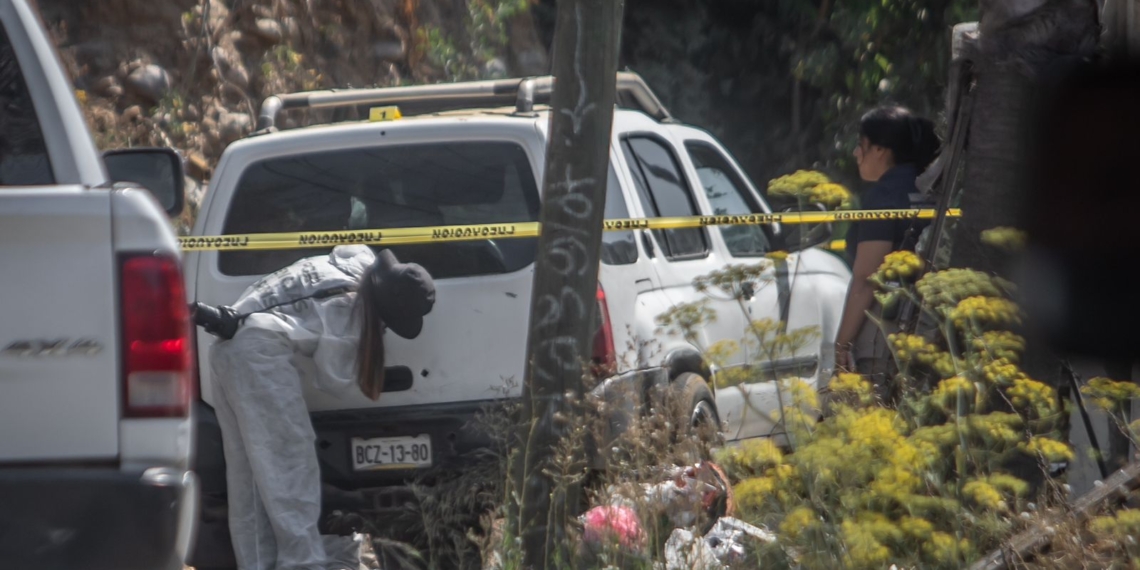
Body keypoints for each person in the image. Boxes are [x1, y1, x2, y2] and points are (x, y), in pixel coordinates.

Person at [197, 245, 435, 570]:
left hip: (226, 348)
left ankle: (258, 565)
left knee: (249, 478)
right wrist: (366, 335)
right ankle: (302, 564)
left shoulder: (352, 264)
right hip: (259, 355)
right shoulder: (346, 305)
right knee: (290, 467)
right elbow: (334, 379)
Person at [834, 106, 940, 397]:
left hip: (884, 331)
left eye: (861, 145)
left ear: (880, 150)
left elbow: (867, 279)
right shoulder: (929, 189)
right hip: (930, 326)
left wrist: (841, 344)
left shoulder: (884, 196)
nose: (856, 153)